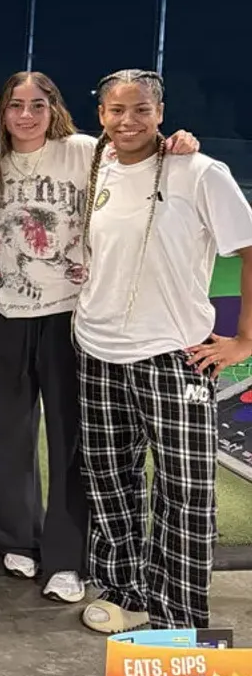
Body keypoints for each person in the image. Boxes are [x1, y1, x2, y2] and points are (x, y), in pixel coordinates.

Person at [0, 72, 198, 604]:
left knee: (68, 439)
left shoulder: (86, 150)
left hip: (70, 315)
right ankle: (17, 537)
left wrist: (178, 143)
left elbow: (141, 152)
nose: (27, 115)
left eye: (38, 104)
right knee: (8, 433)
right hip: (6, 310)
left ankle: (64, 558)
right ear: (3, 112)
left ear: (55, 107)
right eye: (16, 105)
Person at [74, 69, 252, 633]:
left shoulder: (198, 171)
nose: (128, 121)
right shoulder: (95, 166)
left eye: (141, 109)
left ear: (160, 111)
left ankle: (178, 613)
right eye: (116, 110)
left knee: (186, 489)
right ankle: (124, 590)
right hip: (96, 348)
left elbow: (249, 249)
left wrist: (246, 340)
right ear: (100, 115)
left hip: (175, 354)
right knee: (110, 477)